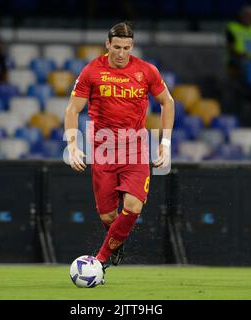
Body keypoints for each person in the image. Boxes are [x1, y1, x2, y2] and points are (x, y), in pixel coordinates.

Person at [64, 22, 174, 278]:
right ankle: (115, 245)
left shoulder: (146, 71)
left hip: (135, 148)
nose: (121, 53)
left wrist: (165, 143)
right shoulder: (92, 71)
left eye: (126, 47)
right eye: (117, 47)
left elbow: (167, 102)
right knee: (108, 215)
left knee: (133, 206)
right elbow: (72, 109)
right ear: (107, 44)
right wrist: (72, 145)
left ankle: (99, 261)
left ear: (132, 46)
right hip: (102, 148)